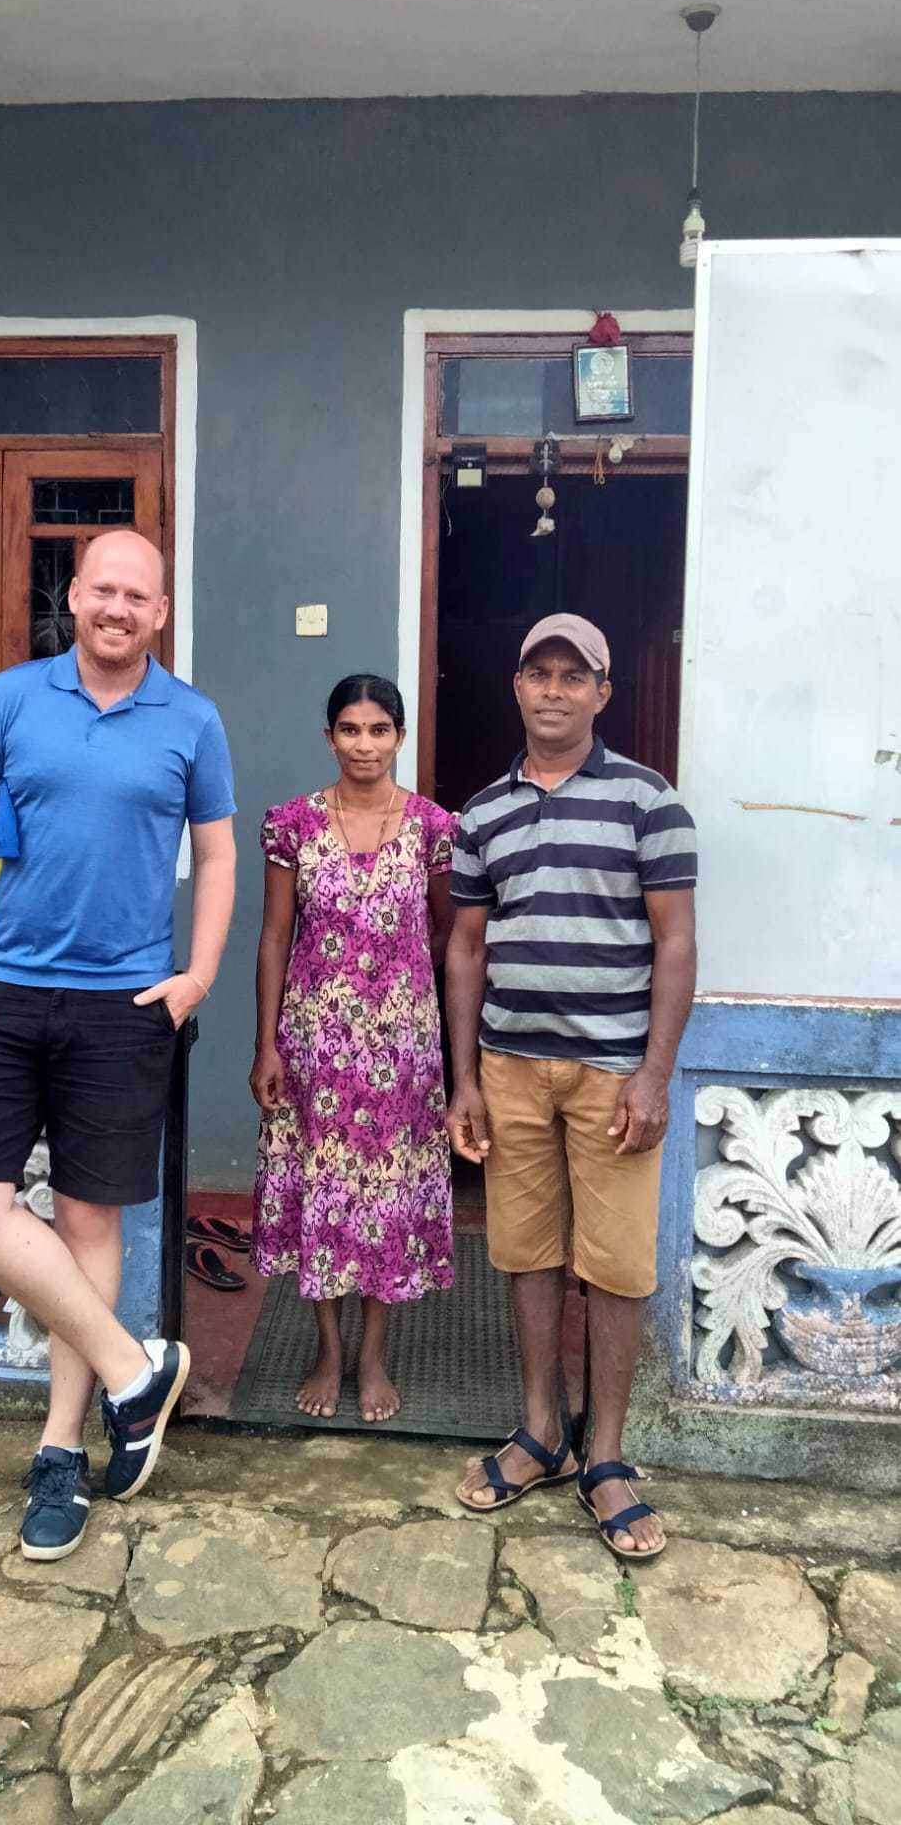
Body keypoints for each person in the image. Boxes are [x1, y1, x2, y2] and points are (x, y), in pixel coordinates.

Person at [0, 529, 236, 1560]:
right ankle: (131, 1367)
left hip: (122, 1004)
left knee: (87, 1217)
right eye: (102, 588)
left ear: (158, 612)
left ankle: (61, 1449)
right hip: (3, 994)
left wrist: (194, 977)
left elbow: (218, 851)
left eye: (135, 594)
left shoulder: (192, 719)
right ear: (74, 597)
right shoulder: (14, 698)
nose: (116, 607)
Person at [445, 614, 696, 1556]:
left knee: (619, 1263)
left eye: (572, 676)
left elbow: (675, 942)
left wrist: (654, 1075)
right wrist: (462, 1078)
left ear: (601, 692)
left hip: (612, 1075)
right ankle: (541, 1430)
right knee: (526, 1251)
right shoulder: (482, 814)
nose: (553, 690)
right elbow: (465, 948)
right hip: (510, 1068)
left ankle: (609, 1454)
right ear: (516, 687)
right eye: (536, 674)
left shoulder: (650, 802)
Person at [250, 674, 456, 1423]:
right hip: (313, 1046)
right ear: (329, 737)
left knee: (386, 1194)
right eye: (349, 730)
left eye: (378, 730)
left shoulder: (435, 828)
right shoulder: (292, 825)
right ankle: (328, 1351)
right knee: (323, 1192)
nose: (364, 745)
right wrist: (266, 1042)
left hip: (399, 1051)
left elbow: (449, 934)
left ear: (399, 736)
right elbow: (275, 936)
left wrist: (390, 981)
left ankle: (373, 1356)